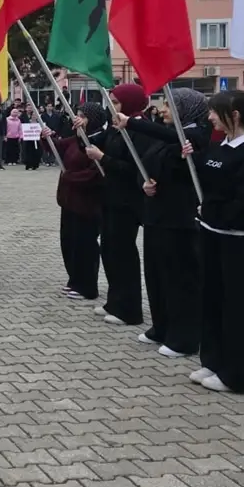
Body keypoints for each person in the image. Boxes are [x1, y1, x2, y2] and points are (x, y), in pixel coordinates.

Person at [182, 90, 244, 394]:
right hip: (211, 235)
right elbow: (208, 181)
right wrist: (191, 159)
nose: (209, 118)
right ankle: (213, 360)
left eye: (214, 112)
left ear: (234, 116)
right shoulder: (220, 147)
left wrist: (216, 212)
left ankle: (236, 374)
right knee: (212, 300)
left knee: (235, 307)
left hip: (237, 241)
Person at [115, 88, 212, 359]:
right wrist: (145, 183)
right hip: (156, 215)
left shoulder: (196, 135)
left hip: (180, 219)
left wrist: (133, 122)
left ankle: (185, 337)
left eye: (168, 105)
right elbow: (146, 164)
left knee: (180, 280)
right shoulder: (167, 134)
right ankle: (162, 326)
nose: (162, 110)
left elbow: (175, 142)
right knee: (157, 275)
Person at [85, 82, 148, 326]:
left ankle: (129, 309)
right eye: (111, 101)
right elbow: (91, 143)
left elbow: (135, 168)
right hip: (110, 197)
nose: (113, 107)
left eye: (118, 102)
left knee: (123, 253)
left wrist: (104, 159)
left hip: (127, 201)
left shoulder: (139, 130)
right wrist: (83, 130)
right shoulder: (116, 127)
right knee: (109, 250)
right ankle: (115, 300)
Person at [44, 104, 107, 301]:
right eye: (77, 116)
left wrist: (70, 177)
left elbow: (95, 173)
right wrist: (46, 137)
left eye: (82, 117)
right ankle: (75, 280)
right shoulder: (77, 139)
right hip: (69, 201)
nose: (77, 120)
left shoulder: (98, 141)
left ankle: (87, 286)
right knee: (69, 242)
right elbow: (58, 147)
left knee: (84, 244)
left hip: (87, 203)